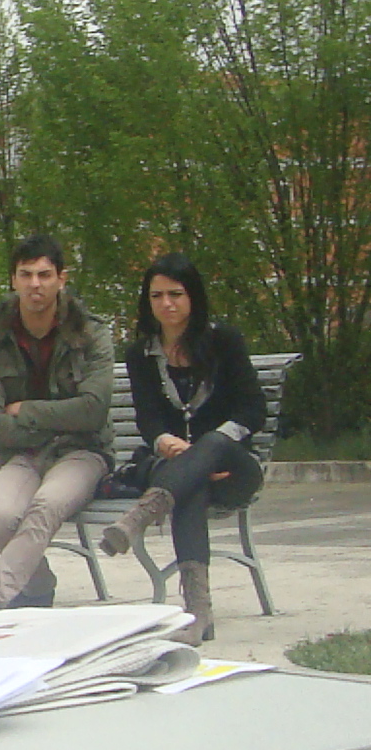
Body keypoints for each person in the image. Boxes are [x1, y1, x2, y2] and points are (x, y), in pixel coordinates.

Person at [97, 253, 265, 643]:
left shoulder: (224, 342)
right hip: (173, 471)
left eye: (175, 294)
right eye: (157, 296)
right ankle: (198, 612)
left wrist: (211, 448)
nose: (167, 303)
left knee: (209, 447)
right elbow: (148, 418)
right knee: (189, 487)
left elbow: (253, 410)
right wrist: (163, 441)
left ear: (193, 297)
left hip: (232, 468)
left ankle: (140, 517)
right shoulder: (141, 354)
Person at [0, 234, 114, 608]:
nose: (35, 284)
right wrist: (61, 419)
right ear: (13, 280)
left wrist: (26, 410)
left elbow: (93, 411)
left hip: (82, 452)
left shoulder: (91, 333)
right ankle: (38, 587)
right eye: (26, 274)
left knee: (45, 505)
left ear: (61, 279)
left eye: (45, 275)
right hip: (19, 453)